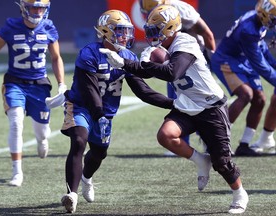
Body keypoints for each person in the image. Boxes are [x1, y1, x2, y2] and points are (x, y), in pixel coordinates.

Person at [101, 4, 249, 214]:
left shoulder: (185, 41)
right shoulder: (162, 49)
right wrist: (132, 64)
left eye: (157, 30)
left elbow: (172, 73)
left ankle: (240, 193)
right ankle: (200, 161)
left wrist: (127, 64)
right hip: (187, 104)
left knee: (222, 163)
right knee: (166, 135)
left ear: (171, 28)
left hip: (211, 106)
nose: (153, 35)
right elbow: (146, 74)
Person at [59, 9, 174, 214]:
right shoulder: (89, 53)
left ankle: (86, 178)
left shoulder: (127, 56)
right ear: (105, 32)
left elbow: (143, 91)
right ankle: (72, 195)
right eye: (120, 31)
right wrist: (98, 115)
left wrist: (172, 104)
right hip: (81, 106)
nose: (125, 36)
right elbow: (89, 90)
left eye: (126, 31)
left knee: (99, 153)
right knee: (78, 140)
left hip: (106, 113)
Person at [0, 0, 67, 187]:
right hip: (15, 82)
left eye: (42, 8)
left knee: (42, 132)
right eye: (34, 7)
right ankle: (17, 172)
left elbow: (56, 58)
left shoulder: (48, 27)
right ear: (24, 8)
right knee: (16, 123)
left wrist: (62, 84)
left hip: (39, 85)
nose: (39, 12)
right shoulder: (11, 26)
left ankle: (42, 140)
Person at [139, 0, 216, 155]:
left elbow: (206, 32)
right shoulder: (156, 13)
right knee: (178, 99)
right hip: (173, 57)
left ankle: (211, 141)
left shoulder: (179, 8)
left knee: (199, 100)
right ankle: (181, 141)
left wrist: (214, 58)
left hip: (190, 58)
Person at [210, 0, 276, 156]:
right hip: (226, 59)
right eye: (273, 18)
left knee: (260, 99)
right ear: (264, 14)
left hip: (242, 59)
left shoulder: (257, 20)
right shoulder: (248, 29)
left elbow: (262, 48)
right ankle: (215, 140)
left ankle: (244, 144)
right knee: (246, 94)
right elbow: (260, 65)